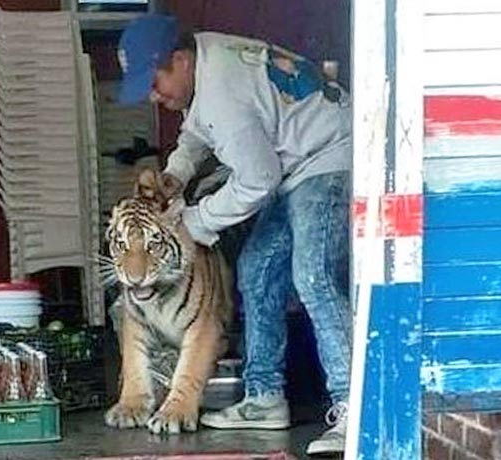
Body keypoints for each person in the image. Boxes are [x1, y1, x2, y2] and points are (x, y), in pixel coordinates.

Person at [117, 14, 352, 455]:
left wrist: (194, 223)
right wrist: (175, 175)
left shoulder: (223, 90)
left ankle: (354, 406)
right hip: (294, 166)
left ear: (180, 61)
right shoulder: (207, 58)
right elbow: (196, 133)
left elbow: (257, 179)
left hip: (329, 157)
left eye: (154, 82)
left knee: (313, 276)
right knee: (257, 268)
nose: (153, 95)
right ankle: (264, 397)